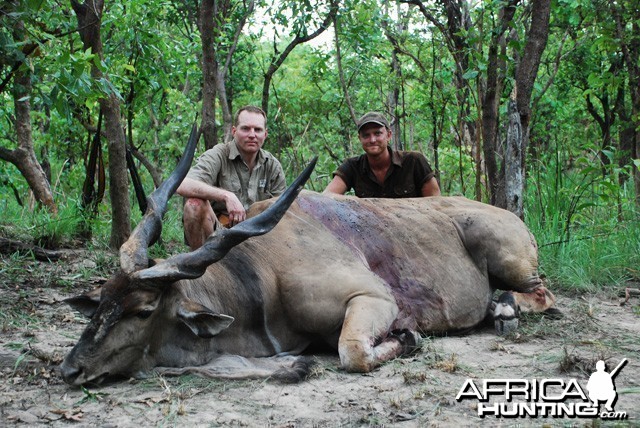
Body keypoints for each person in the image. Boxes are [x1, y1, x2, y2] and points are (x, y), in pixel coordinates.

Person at [177, 105, 286, 250]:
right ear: (234, 131)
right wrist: (227, 196)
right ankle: (200, 267)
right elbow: (183, 184)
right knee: (194, 205)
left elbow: (283, 212)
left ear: (265, 134)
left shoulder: (272, 166)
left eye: (258, 130)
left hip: (258, 242)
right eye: (245, 128)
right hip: (217, 238)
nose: (252, 134)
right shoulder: (218, 155)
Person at [324, 111, 441, 198]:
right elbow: (326, 197)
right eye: (366, 135)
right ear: (359, 138)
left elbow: (435, 204)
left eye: (378, 133)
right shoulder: (352, 166)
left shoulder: (414, 161)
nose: (372, 139)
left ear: (389, 135)